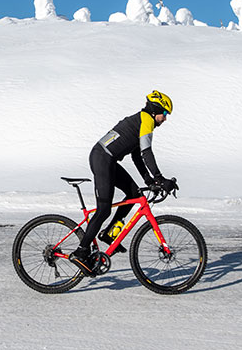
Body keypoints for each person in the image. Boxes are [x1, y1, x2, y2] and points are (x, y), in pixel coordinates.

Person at [69, 91, 177, 275]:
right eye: (165, 114)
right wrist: (159, 178)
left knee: (135, 195)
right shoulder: (147, 120)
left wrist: (149, 180)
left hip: (107, 159)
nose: (165, 119)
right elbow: (146, 152)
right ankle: (81, 251)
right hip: (102, 159)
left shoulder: (142, 120)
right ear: (157, 109)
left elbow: (136, 155)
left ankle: (108, 233)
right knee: (103, 209)